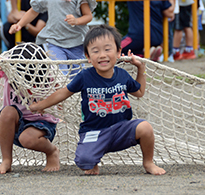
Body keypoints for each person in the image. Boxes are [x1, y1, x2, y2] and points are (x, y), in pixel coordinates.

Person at [29, 25, 166, 175]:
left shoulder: (122, 75)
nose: (102, 55)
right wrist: (40, 105)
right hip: (94, 132)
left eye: (107, 49)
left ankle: (148, 162)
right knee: (84, 162)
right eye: (95, 51)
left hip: (121, 130)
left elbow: (139, 92)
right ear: (88, 57)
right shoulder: (84, 76)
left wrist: (141, 69)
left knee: (145, 127)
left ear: (118, 52)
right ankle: (94, 158)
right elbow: (63, 93)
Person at [0, 43, 60, 174]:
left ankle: (52, 151)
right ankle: (6, 161)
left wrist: (44, 104)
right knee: (7, 112)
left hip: (41, 123)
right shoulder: (9, 71)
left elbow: (59, 93)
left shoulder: (48, 76)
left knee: (27, 139)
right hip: (16, 122)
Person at [8, 0, 97, 76]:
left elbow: (88, 16)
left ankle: (74, 95)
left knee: (76, 75)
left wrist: (76, 21)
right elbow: (33, 11)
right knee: (60, 73)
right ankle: (61, 94)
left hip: (76, 43)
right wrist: (19, 24)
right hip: (55, 42)